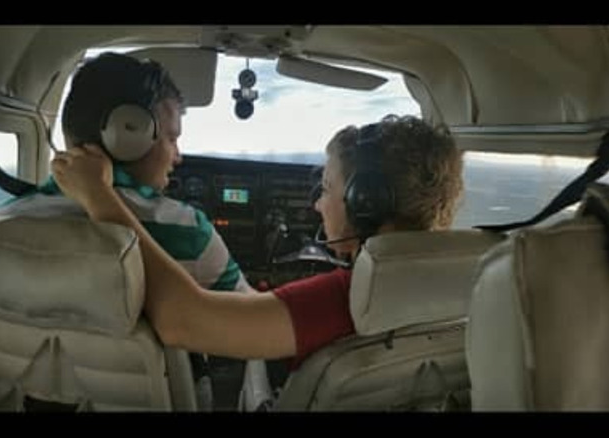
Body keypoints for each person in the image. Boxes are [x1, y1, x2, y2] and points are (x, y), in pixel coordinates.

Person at [51, 113, 464, 370]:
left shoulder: (350, 296)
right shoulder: (471, 282)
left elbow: (183, 320)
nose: (318, 204)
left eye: (326, 187)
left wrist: (99, 196)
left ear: (366, 201)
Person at [0, 52, 256, 409]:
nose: (178, 156)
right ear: (128, 132)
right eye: (172, 138)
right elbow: (250, 323)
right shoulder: (187, 231)